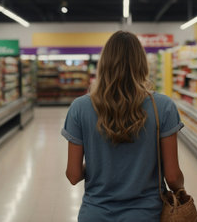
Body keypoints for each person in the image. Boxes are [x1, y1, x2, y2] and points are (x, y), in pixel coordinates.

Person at [61, 30, 185, 221]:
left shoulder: (80, 107)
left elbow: (73, 174)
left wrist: (100, 163)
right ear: (141, 64)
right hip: (146, 214)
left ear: (104, 64)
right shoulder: (163, 106)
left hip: (95, 214)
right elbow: (173, 177)